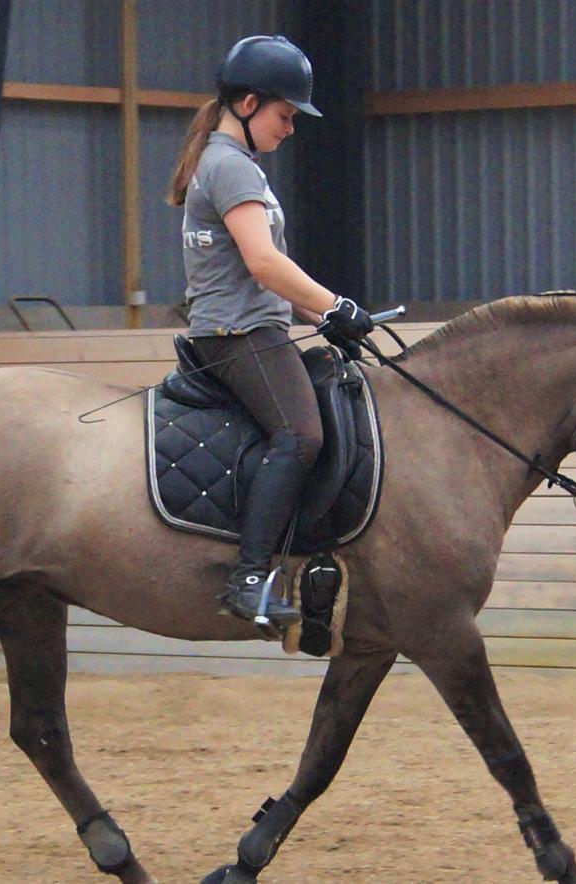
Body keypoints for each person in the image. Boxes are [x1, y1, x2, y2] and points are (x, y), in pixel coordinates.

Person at [166, 34, 374, 627]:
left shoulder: (233, 163)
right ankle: (250, 576)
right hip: (237, 336)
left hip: (252, 325)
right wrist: (333, 306)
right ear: (250, 104)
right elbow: (263, 263)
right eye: (286, 115)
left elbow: (270, 277)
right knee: (300, 435)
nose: (291, 128)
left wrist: (330, 316)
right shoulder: (229, 166)